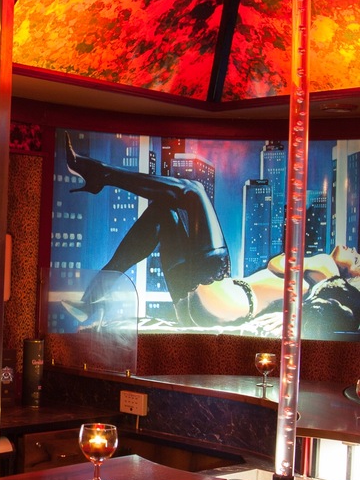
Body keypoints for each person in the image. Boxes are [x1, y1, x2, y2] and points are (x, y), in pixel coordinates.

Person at [62, 133, 360, 338]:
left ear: (352, 272)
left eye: (357, 259)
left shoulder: (327, 266)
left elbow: (280, 263)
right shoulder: (320, 279)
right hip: (203, 306)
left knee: (194, 191)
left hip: (228, 300)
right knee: (163, 212)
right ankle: (91, 298)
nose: (352, 249)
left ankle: (101, 174)